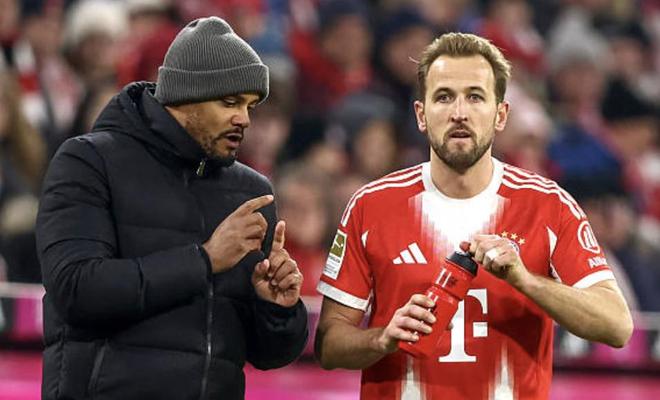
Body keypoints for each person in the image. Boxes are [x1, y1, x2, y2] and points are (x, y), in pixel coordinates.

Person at [315, 32, 633, 400]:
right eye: (444, 97)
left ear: (501, 115)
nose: (459, 113)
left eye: (475, 97)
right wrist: (381, 339)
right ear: (421, 115)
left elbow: (617, 325)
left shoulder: (549, 206)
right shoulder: (371, 206)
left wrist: (526, 281)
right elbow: (329, 344)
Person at [36, 16, 307, 400]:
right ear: (185, 97)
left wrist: (276, 308)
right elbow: (76, 290)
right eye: (229, 102)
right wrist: (204, 260)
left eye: (249, 105)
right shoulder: (90, 161)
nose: (244, 119)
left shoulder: (251, 192)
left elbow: (265, 355)